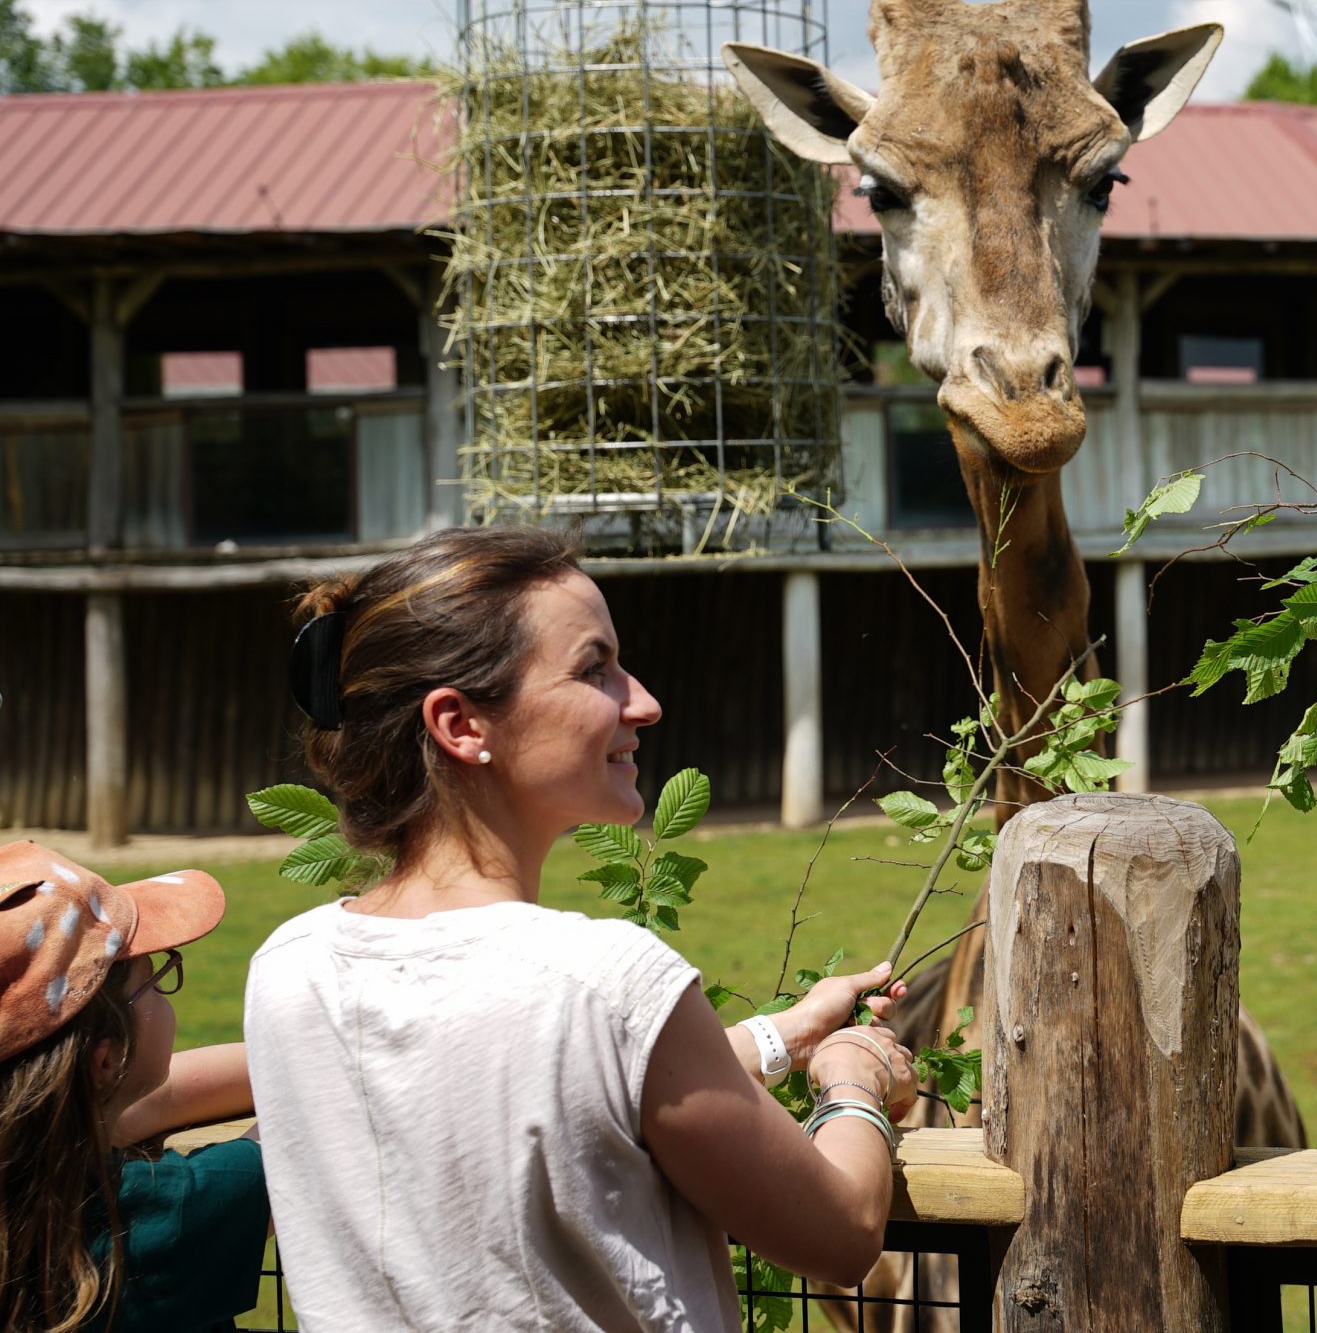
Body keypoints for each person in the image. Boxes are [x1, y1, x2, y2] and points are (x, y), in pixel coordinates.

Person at [244, 527, 919, 1332]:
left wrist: (784, 1035)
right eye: (595, 669)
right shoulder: (606, 979)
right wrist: (854, 1078)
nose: (643, 702)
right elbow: (840, 1235)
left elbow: (529, 1075)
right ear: (462, 726)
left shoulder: (289, 967)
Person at [1, 840, 263, 1333]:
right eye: (158, 976)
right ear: (106, 1059)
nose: (166, 988)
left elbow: (161, 1097)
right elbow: (313, 1120)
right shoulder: (152, 1215)